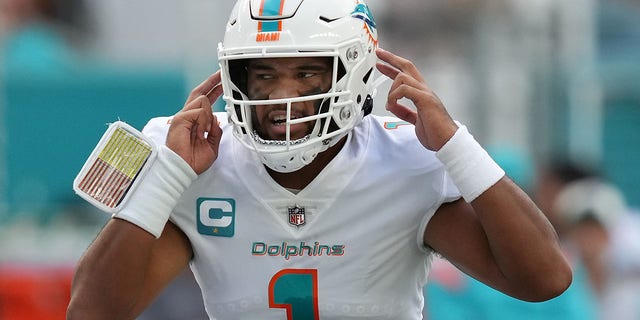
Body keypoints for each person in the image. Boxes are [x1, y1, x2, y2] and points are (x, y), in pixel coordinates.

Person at [66, 0, 572, 319]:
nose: (281, 97)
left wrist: (456, 145)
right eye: (262, 75)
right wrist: (168, 177)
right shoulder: (195, 160)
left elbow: (544, 280)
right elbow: (91, 312)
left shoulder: (407, 160)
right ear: (233, 79)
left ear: (353, 74)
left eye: (307, 74)